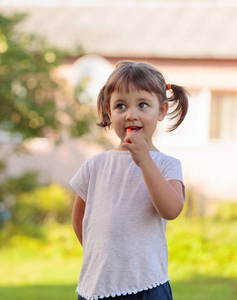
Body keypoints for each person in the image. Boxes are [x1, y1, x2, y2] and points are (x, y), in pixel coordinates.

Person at [70, 61, 189, 300]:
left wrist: (145, 161)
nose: (130, 114)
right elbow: (80, 219)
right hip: (97, 286)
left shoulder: (166, 165)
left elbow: (171, 210)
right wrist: (106, 259)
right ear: (108, 110)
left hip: (146, 285)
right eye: (120, 106)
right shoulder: (95, 165)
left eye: (143, 105)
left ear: (162, 111)